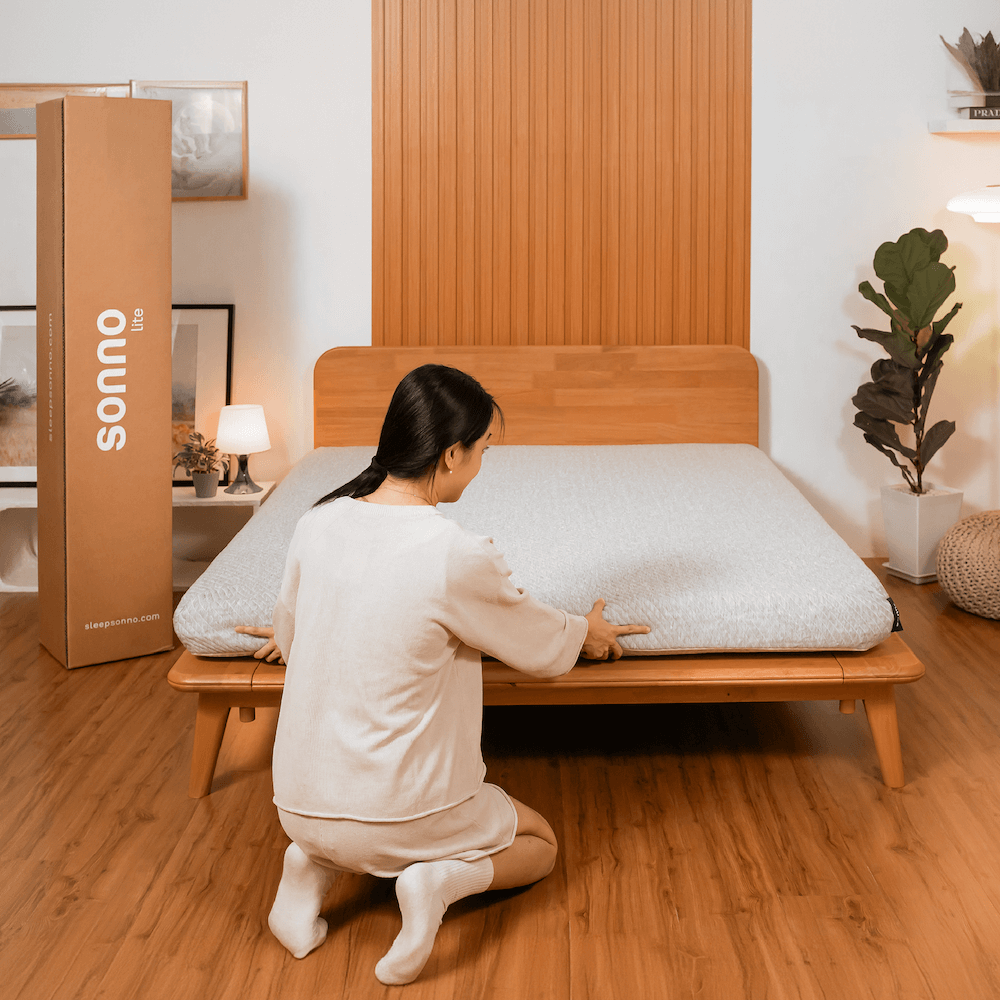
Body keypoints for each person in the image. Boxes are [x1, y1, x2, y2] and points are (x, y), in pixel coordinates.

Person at [237, 364, 649, 985]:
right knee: (540, 844)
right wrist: (588, 632)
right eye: (483, 450)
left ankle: (311, 866)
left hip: (297, 805)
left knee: (336, 830)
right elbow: (538, 647)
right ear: (452, 453)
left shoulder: (315, 523)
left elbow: (291, 635)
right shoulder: (454, 554)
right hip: (403, 815)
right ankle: (436, 882)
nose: (482, 464)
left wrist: (308, 633)